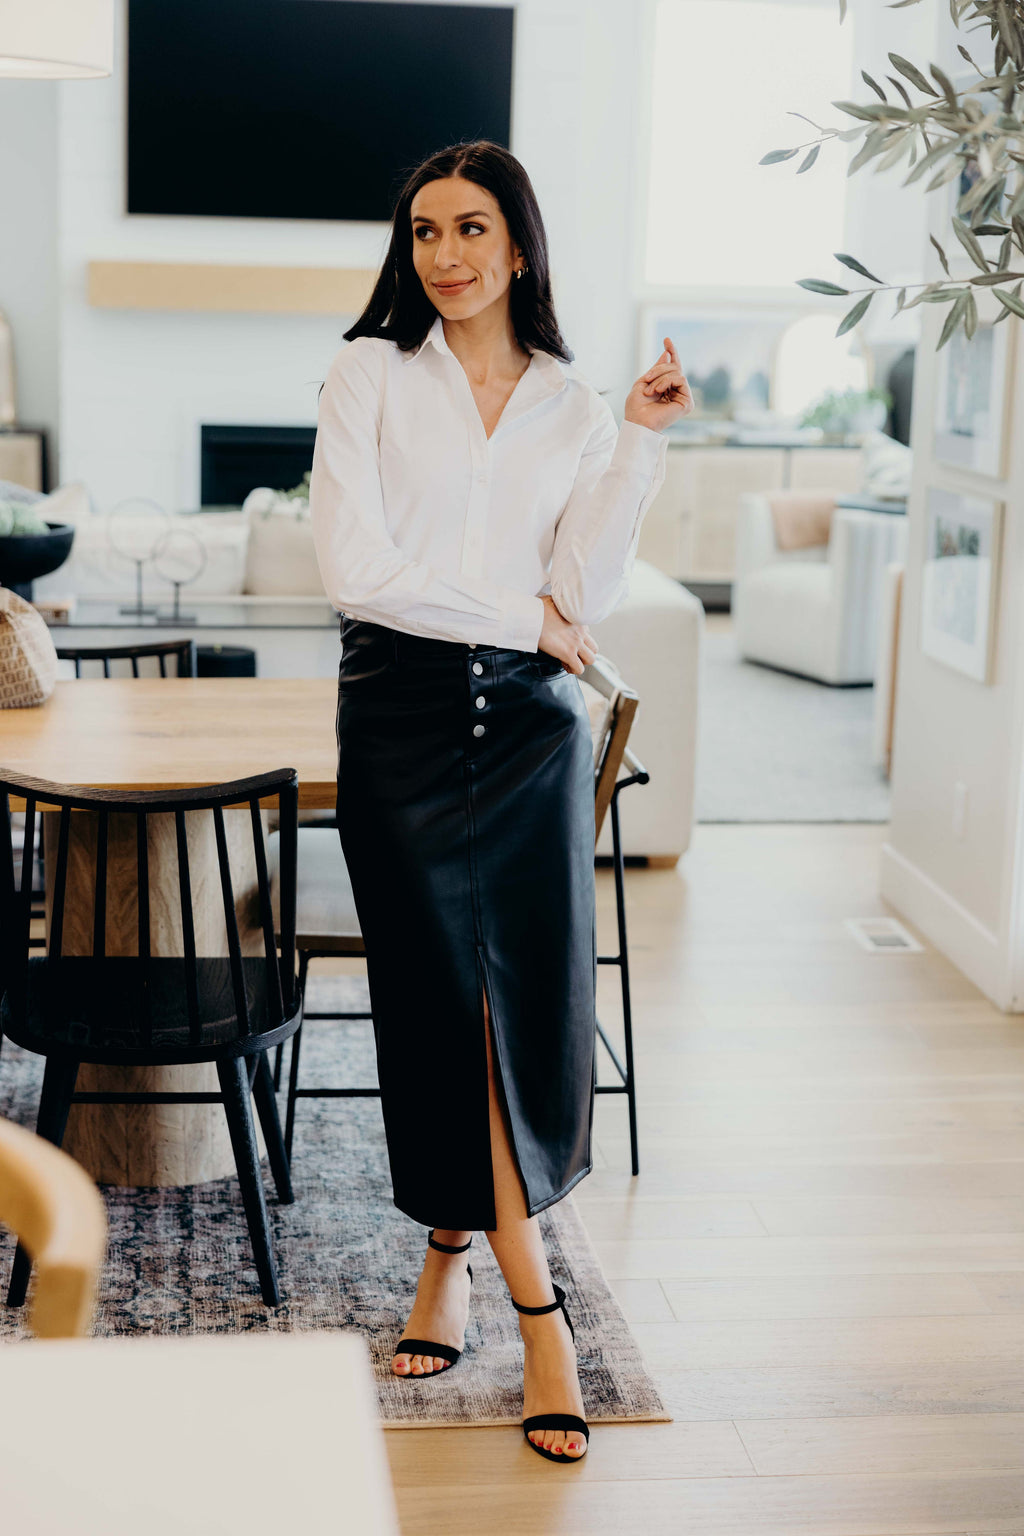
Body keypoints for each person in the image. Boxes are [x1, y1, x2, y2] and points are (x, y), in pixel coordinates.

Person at [309, 140, 692, 1465]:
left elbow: (579, 596)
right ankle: (484, 1278)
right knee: (436, 1003)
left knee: (513, 1011)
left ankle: (505, 1292)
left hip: (529, 737)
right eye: (424, 231)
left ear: (519, 248)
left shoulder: (576, 404)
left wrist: (636, 445)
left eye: (472, 228)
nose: (446, 253)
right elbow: (357, 569)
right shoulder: (366, 374)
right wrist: (518, 619)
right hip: (402, 722)